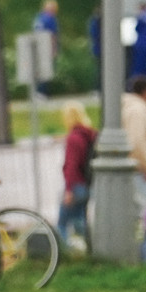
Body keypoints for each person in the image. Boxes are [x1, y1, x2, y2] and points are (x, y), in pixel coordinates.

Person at [57, 102, 95, 247]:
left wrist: (68, 190)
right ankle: (90, 248)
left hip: (75, 185)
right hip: (86, 184)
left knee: (62, 223)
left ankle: (64, 252)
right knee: (80, 221)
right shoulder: (88, 135)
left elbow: (71, 166)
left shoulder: (73, 138)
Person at [121, 76, 146, 183]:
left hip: (129, 167)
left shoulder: (128, 106)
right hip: (138, 170)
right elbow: (137, 140)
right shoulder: (138, 109)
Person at [130, 2, 146, 83]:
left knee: (140, 67)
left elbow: (138, 28)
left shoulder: (143, 17)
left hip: (142, 45)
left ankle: (139, 83)